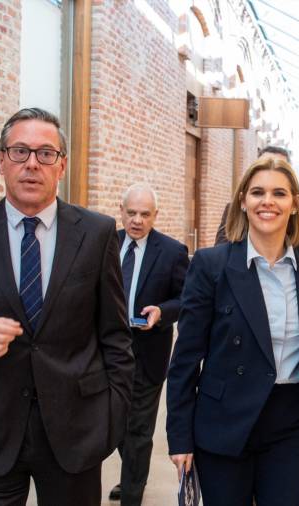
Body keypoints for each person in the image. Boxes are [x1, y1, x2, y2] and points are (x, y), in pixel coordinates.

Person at [0, 108, 134, 505]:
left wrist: (111, 419)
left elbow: (115, 336)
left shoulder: (97, 233)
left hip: (76, 432)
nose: (32, 163)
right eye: (19, 151)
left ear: (62, 166)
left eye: (45, 153)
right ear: (1, 161)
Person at [165, 157, 299, 505]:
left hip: (290, 421)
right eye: (257, 192)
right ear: (243, 201)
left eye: (279, 193)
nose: (267, 201)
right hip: (224, 420)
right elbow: (185, 359)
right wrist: (179, 437)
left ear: (295, 204)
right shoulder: (213, 265)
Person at [109, 184, 189, 505]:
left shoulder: (172, 252)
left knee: (139, 430)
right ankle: (132, 472)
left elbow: (185, 299)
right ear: (122, 211)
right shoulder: (106, 244)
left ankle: (132, 494)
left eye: (145, 214)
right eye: (131, 213)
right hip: (108, 353)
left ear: (155, 215)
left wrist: (162, 312)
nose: (137, 220)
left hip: (148, 353)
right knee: (113, 425)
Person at [214, 146, 299, 247]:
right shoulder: (234, 208)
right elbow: (220, 252)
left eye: (279, 166)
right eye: (264, 165)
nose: (271, 171)